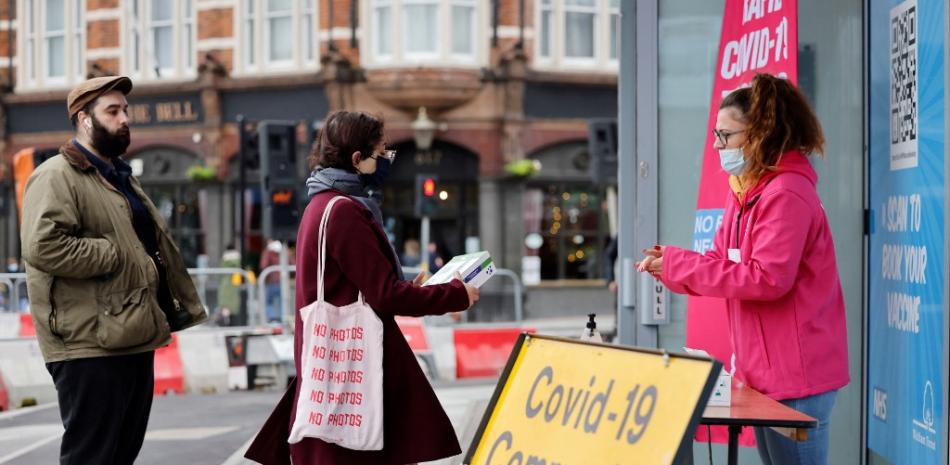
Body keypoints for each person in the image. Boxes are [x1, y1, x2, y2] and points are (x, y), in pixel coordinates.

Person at [636, 73, 849, 465]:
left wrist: (681, 265)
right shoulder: (746, 190)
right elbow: (721, 262)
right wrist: (672, 263)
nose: (718, 146)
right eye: (716, 135)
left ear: (760, 134)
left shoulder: (785, 193)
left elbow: (768, 279)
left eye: (726, 136)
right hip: (767, 372)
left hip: (796, 375)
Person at [246, 110, 479, 465]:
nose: (386, 160)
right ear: (357, 159)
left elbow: (358, 284)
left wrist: (402, 283)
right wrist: (455, 295)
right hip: (352, 364)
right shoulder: (344, 212)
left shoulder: (319, 204)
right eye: (381, 152)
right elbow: (385, 296)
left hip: (329, 357)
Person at [19, 76, 208, 465]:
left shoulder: (119, 176)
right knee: (92, 456)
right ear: (84, 119)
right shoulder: (56, 175)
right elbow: (43, 246)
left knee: (121, 455)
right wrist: (114, 254)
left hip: (132, 334)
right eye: (113, 111)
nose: (125, 119)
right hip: (88, 343)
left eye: (126, 110)